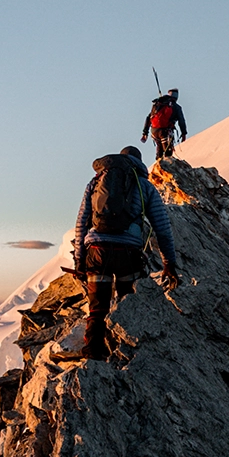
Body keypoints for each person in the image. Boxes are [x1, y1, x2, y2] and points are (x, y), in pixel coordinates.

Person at [68, 145, 179, 361]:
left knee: (97, 307)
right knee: (128, 303)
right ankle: (127, 350)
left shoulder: (96, 182)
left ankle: (92, 351)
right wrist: (169, 264)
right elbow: (162, 228)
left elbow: (81, 222)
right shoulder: (144, 186)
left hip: (97, 252)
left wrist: (80, 259)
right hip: (128, 253)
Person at [141, 87, 188, 161]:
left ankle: (158, 164)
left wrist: (145, 133)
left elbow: (148, 118)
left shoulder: (158, 104)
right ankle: (167, 168)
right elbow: (181, 121)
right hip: (165, 131)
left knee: (159, 149)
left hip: (154, 131)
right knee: (167, 153)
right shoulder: (176, 107)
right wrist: (184, 133)